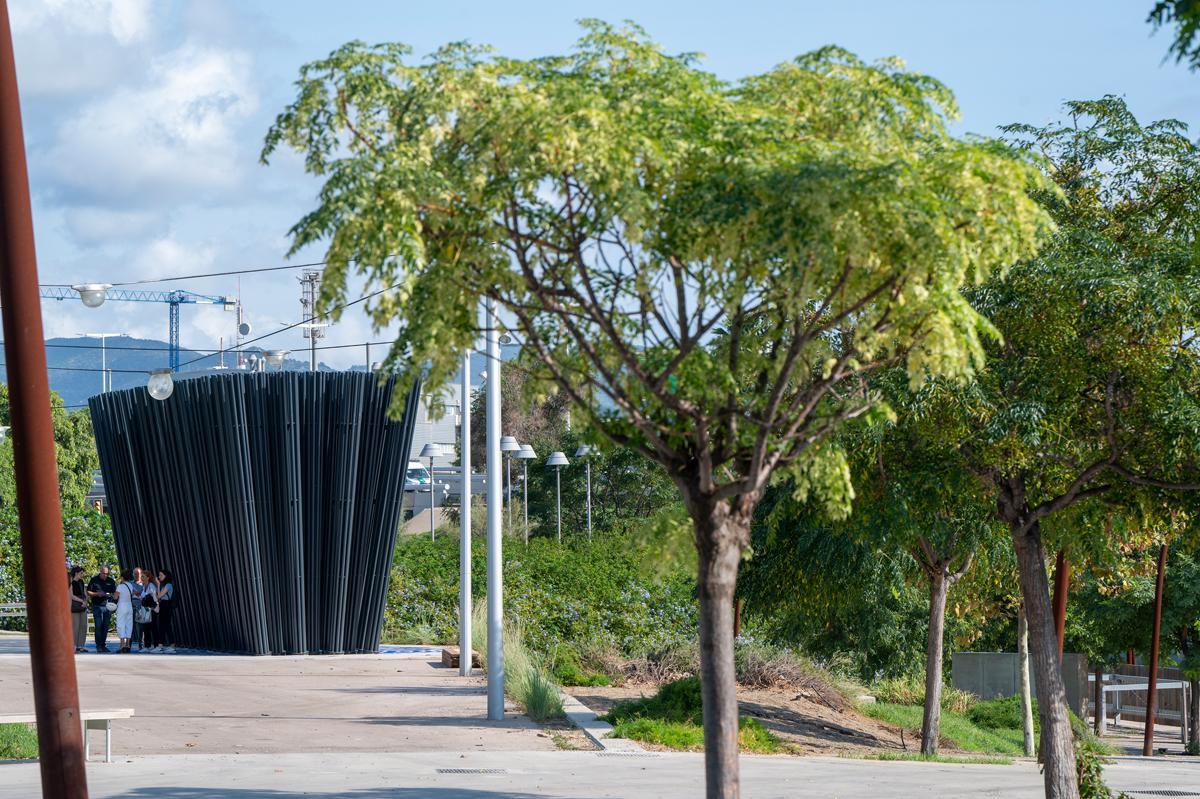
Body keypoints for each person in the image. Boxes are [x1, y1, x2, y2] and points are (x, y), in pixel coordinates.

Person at [86, 565, 116, 653]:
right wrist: (97, 594)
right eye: (103, 573)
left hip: (107, 606)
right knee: (98, 626)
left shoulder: (111, 581)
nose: (105, 575)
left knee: (105, 626)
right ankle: (98, 645)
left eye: (107, 574)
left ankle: (103, 645)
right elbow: (88, 591)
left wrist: (108, 595)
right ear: (100, 571)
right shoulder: (94, 580)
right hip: (97, 606)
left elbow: (114, 593)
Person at [153, 569, 176, 654]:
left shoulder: (168, 585)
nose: (159, 577)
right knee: (165, 626)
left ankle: (162, 646)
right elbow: (159, 596)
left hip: (166, 606)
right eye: (159, 575)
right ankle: (167, 645)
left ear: (166, 576)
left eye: (161, 575)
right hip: (164, 606)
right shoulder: (165, 585)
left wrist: (158, 584)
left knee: (164, 626)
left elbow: (159, 596)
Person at [113, 569, 135, 654]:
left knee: (121, 624)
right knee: (129, 624)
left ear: (122, 577)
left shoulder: (120, 586)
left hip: (122, 606)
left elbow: (115, 597)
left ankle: (122, 645)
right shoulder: (130, 585)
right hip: (129, 606)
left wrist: (113, 594)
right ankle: (128, 645)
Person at [68, 566, 88, 653]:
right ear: (76, 573)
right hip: (75, 606)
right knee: (75, 627)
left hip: (83, 605)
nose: (82, 574)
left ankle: (81, 646)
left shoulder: (81, 581)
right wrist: (81, 601)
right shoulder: (71, 582)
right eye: (81, 573)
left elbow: (84, 592)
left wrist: (86, 600)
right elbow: (71, 595)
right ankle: (73, 646)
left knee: (83, 626)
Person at [137, 569, 157, 652]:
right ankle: (147, 646)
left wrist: (155, 607)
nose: (141, 578)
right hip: (145, 610)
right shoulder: (144, 586)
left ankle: (156, 646)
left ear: (148, 578)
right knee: (146, 628)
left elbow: (154, 597)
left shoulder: (151, 585)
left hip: (151, 610)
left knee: (153, 628)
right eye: (141, 576)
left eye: (143, 576)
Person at [129, 567, 145, 652]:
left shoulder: (144, 584)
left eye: (137, 574)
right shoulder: (130, 584)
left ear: (141, 574)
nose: (136, 575)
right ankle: (129, 644)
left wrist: (136, 594)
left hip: (141, 608)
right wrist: (134, 593)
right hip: (131, 607)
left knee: (140, 627)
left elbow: (145, 595)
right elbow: (129, 593)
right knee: (131, 626)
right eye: (134, 574)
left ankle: (140, 644)